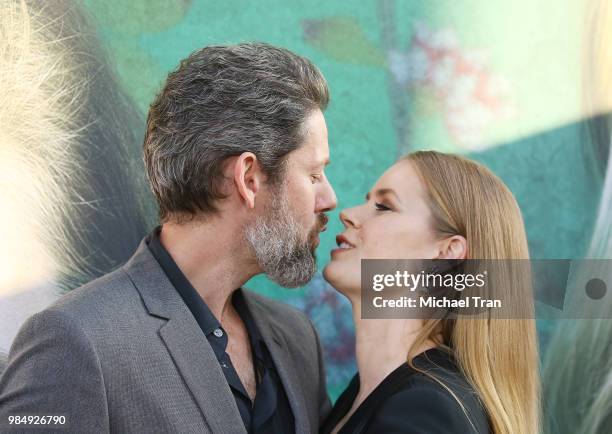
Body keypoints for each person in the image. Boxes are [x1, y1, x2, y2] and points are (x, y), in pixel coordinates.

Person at [0, 42, 336, 434]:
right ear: (248, 178)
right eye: (313, 175)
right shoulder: (72, 343)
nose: (328, 199)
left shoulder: (296, 337)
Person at [321, 151, 540, 434]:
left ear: (447, 253)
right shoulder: (369, 392)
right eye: (367, 201)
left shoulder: (424, 409)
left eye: (384, 206)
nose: (348, 214)